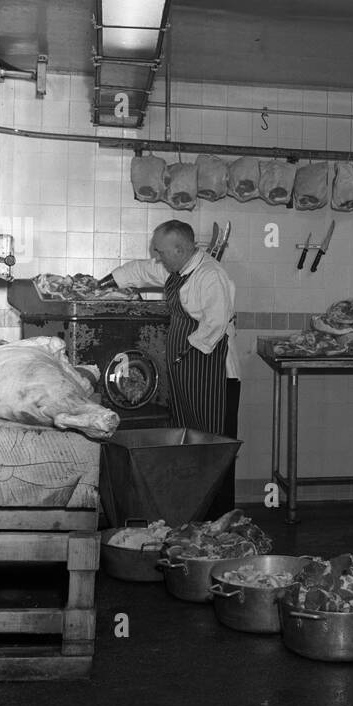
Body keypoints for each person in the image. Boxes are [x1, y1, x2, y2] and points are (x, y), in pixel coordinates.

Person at [99, 219, 241, 512]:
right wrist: (103, 284)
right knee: (191, 443)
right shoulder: (177, 269)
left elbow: (215, 324)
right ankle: (194, 512)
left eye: (161, 251)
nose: (157, 257)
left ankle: (221, 518)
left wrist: (183, 354)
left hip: (214, 376)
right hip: (188, 373)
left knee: (215, 449)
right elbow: (141, 269)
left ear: (180, 249)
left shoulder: (210, 275)